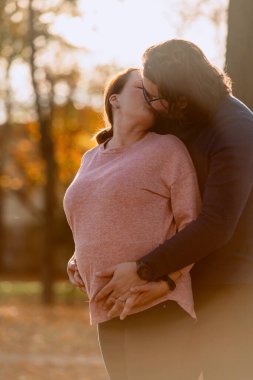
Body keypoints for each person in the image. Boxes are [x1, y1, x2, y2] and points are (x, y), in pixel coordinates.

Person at [82, 39, 253, 379]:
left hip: (231, 289)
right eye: (146, 93)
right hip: (181, 281)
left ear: (182, 94)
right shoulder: (178, 115)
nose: (152, 104)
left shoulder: (237, 129)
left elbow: (217, 224)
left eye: (156, 96)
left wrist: (146, 269)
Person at [64, 67, 201, 379]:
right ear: (115, 100)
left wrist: (166, 281)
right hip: (108, 308)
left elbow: (192, 226)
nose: (151, 96)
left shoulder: (167, 149)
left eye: (156, 92)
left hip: (157, 303)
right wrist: (76, 257)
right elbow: (89, 216)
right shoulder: (90, 158)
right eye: (142, 88)